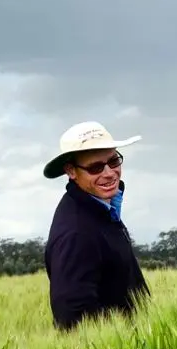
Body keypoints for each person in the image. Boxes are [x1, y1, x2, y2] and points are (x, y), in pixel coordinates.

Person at [43, 121, 149, 330]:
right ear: (71, 171)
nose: (109, 173)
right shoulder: (75, 233)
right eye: (95, 167)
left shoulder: (101, 209)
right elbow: (72, 320)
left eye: (114, 161)